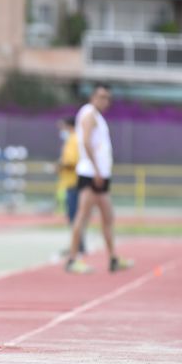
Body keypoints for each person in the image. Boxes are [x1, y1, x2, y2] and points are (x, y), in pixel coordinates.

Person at [65, 84, 124, 274]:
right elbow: (86, 142)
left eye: (107, 98)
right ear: (92, 97)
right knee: (83, 216)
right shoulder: (89, 114)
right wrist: (97, 169)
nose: (105, 101)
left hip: (100, 174)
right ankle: (73, 258)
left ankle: (113, 257)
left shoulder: (97, 116)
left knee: (108, 217)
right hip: (91, 174)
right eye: (101, 97)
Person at [55, 117, 85, 255]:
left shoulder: (74, 139)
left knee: (74, 216)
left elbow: (72, 162)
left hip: (74, 183)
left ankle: (77, 246)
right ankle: (78, 245)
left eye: (63, 127)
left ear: (69, 126)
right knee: (74, 216)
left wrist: (59, 166)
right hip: (70, 182)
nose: (62, 131)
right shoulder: (73, 139)